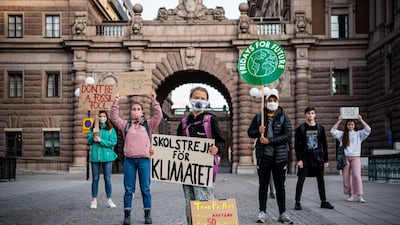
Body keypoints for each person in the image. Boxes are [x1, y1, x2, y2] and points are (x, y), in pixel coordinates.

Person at [110, 91, 163, 225]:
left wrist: (154, 101)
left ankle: (147, 214)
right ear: (131, 112)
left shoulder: (148, 125)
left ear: (142, 112)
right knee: (129, 189)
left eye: (138, 109)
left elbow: (159, 116)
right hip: (129, 161)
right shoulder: (125, 125)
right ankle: (127, 215)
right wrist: (115, 101)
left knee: (145, 189)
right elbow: (114, 117)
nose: (136, 111)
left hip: (144, 161)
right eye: (134, 109)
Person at [176, 86, 226, 225]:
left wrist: (217, 149)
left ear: (207, 101)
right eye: (196, 97)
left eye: (202, 98)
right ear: (190, 99)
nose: (199, 100)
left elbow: (221, 141)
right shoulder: (184, 122)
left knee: (205, 202)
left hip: (205, 168)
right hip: (187, 169)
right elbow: (176, 145)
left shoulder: (211, 120)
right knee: (190, 203)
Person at [247, 88, 293, 224]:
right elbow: (250, 132)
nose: (272, 102)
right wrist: (258, 131)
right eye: (269, 100)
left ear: (278, 101)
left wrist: (270, 141)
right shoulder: (259, 116)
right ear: (266, 102)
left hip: (280, 157)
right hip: (264, 157)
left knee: (280, 187)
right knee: (263, 185)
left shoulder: (284, 117)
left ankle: (282, 213)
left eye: (274, 100)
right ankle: (262, 212)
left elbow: (288, 136)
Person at [294, 106, 334, 211]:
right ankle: (297, 202)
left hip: (318, 158)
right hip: (305, 158)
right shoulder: (301, 128)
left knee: (321, 180)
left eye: (312, 113)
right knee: (301, 180)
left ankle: (323, 201)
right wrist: (299, 160)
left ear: (315, 114)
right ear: (305, 115)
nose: (310, 115)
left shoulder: (320, 128)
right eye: (308, 113)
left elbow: (324, 144)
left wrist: (326, 160)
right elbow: (297, 145)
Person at [330, 114, 371, 203]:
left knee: (357, 176)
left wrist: (360, 119)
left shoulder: (359, 134)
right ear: (346, 126)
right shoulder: (342, 134)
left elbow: (368, 129)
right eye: (349, 124)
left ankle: (360, 195)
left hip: (356, 157)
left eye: (352, 124)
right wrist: (339, 120)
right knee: (346, 177)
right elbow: (332, 131)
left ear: (354, 125)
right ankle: (350, 195)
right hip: (346, 158)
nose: (350, 126)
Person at [87, 110, 118, 209]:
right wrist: (93, 135)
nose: (102, 118)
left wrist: (101, 141)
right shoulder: (94, 128)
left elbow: (113, 142)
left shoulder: (111, 129)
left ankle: (109, 199)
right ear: (98, 117)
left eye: (104, 116)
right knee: (95, 179)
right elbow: (88, 141)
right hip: (95, 157)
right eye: (100, 116)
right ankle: (94, 200)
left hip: (107, 157)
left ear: (107, 117)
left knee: (107, 179)